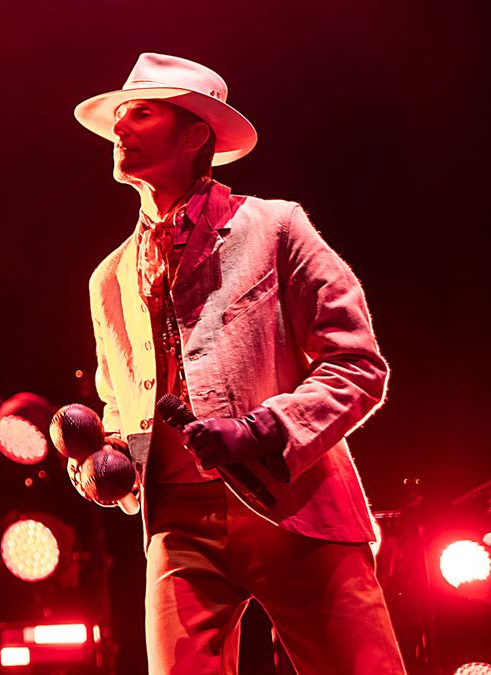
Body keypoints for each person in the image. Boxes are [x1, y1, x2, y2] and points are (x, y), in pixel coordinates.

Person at [65, 53, 406, 674]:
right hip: (176, 525)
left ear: (196, 133)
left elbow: (358, 364)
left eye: (140, 113)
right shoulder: (108, 277)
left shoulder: (274, 226)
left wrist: (259, 430)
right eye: (120, 115)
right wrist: (101, 464)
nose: (120, 128)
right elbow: (121, 405)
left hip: (295, 503)